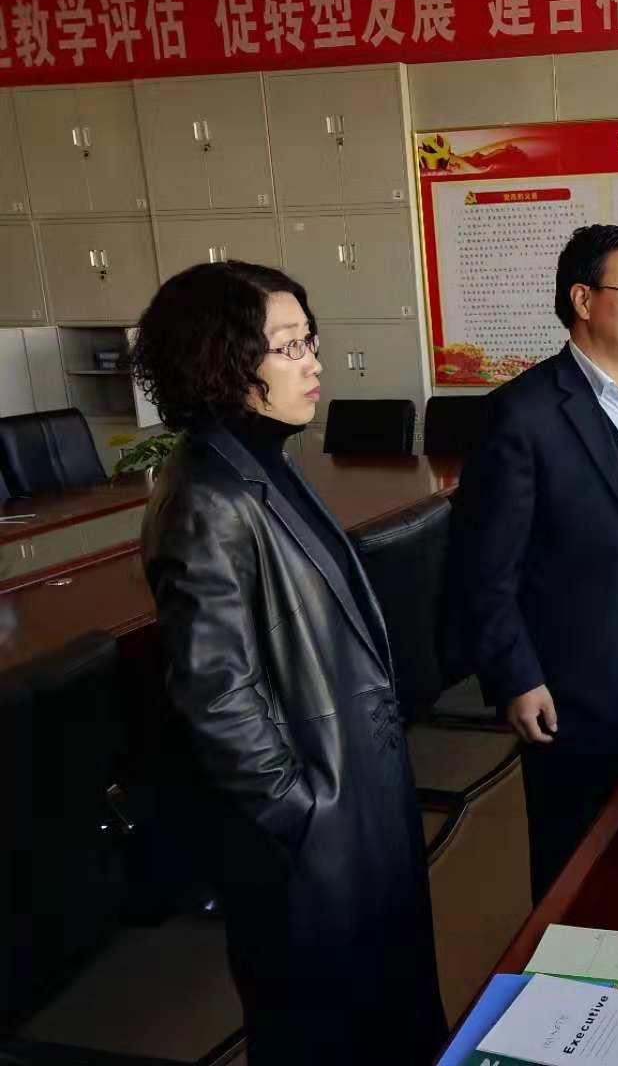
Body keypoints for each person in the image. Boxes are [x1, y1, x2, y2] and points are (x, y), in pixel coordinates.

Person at [134, 262, 445, 1066]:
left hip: (351, 798)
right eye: (289, 346)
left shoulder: (264, 462)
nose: (314, 363)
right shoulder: (207, 498)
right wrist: (302, 814)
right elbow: (216, 697)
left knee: (387, 1013)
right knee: (324, 1032)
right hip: (313, 827)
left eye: (310, 340)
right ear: (222, 361)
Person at [442, 224, 618, 901]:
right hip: (572, 681)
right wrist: (516, 676)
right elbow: (485, 569)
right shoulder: (521, 414)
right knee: (573, 853)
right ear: (584, 299)